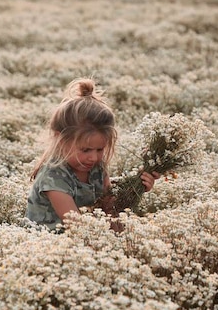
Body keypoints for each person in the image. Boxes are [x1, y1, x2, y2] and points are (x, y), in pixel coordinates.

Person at [25, 78, 160, 231]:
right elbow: (77, 227)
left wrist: (138, 188)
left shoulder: (97, 169)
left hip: (85, 239)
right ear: (60, 140)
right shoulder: (53, 177)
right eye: (85, 150)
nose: (94, 157)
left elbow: (110, 211)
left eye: (100, 149)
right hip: (48, 244)